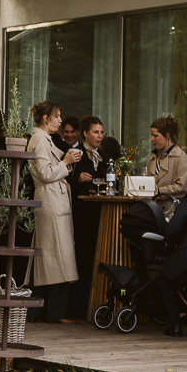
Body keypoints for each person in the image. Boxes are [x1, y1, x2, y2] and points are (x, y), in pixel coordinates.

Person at [29, 101, 82, 322]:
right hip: (50, 200)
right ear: (45, 118)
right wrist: (66, 162)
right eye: (57, 116)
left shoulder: (43, 140)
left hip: (54, 198)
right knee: (55, 256)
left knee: (54, 256)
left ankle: (49, 311)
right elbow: (45, 173)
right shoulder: (40, 141)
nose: (60, 121)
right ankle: (54, 312)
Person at [69, 116, 111, 317]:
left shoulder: (103, 155)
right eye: (96, 132)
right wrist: (77, 178)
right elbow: (65, 181)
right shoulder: (76, 155)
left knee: (98, 255)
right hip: (82, 215)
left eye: (101, 132)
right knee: (83, 259)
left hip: (100, 214)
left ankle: (98, 303)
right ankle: (79, 306)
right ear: (85, 133)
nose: (99, 136)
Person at [144, 117, 187, 218]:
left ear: (167, 135)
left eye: (155, 136)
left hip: (172, 213)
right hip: (152, 212)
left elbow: (182, 187)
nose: (152, 139)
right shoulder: (152, 158)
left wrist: (159, 191)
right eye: (151, 136)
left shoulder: (181, 159)